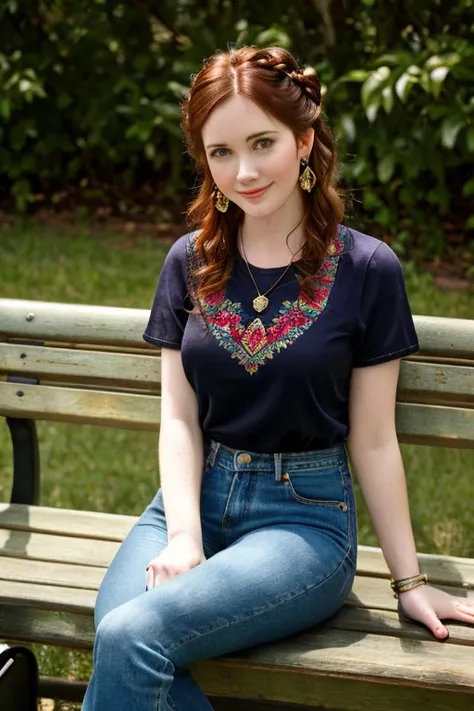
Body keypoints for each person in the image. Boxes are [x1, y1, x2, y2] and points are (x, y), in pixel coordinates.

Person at [82, 45, 474, 711]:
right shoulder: (190, 262)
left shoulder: (370, 270)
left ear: (305, 139)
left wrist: (410, 582)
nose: (245, 170)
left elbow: (374, 440)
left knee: (133, 634)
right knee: (122, 636)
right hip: (187, 502)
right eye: (221, 152)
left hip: (304, 522)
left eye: (262, 142)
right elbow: (178, 418)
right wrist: (183, 537)